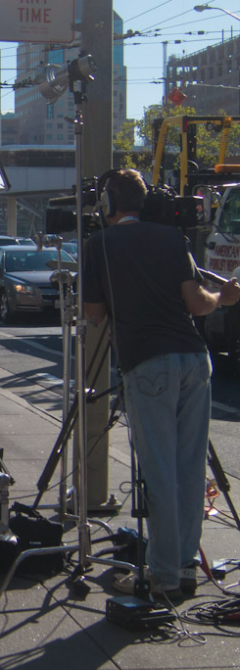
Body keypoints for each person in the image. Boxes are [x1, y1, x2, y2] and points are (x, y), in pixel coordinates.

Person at [83, 168, 240, 601]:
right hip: (194, 359)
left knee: (160, 471)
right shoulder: (172, 239)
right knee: (190, 469)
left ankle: (165, 575)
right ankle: (185, 565)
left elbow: (94, 314)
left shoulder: (98, 245)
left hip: (147, 364)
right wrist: (223, 299)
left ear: (107, 206)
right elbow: (196, 303)